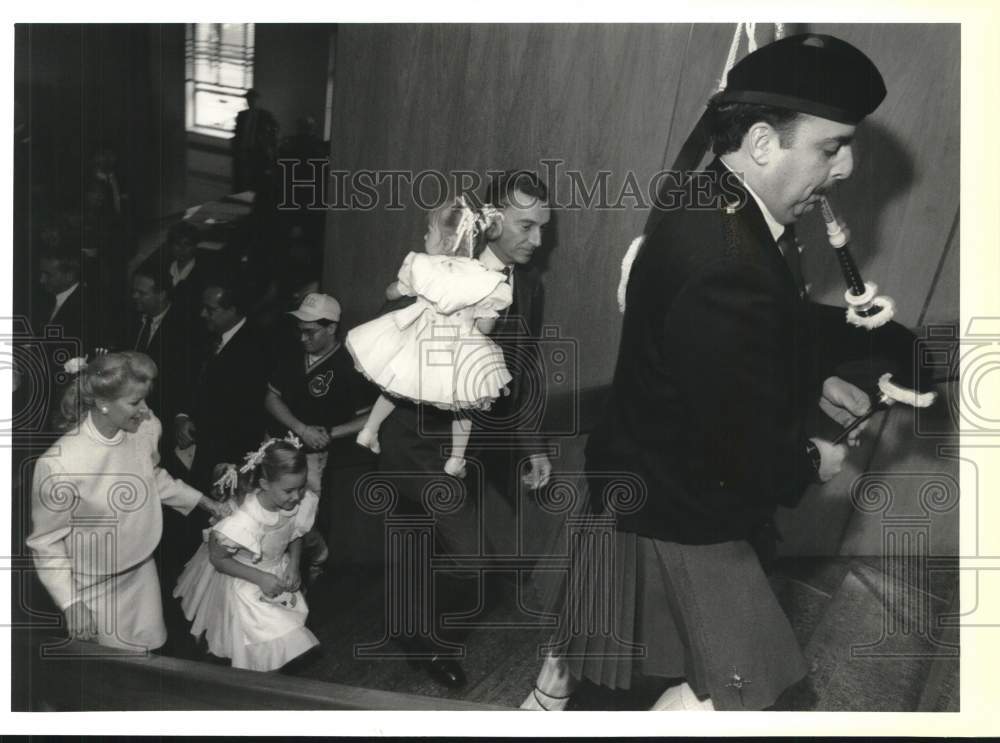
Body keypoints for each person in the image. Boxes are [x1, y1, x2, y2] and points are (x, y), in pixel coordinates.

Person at [522, 34, 891, 711]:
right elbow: (738, 438)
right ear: (760, 142)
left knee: (638, 686)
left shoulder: (718, 204)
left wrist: (808, 382)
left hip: (656, 492)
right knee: (719, 695)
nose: (844, 168)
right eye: (830, 146)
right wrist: (812, 456)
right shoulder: (727, 251)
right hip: (678, 517)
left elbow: (722, 351)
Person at [373, 175, 552, 689]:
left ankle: (419, 635)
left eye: (543, 228)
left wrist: (533, 446)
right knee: (464, 557)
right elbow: (391, 331)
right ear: (492, 220)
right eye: (526, 225)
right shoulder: (446, 264)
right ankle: (424, 644)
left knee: (446, 554)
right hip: (419, 441)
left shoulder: (529, 286)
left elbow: (522, 368)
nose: (537, 240)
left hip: (473, 442)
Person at [26, 351, 227, 651]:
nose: (145, 410)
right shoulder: (59, 464)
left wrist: (206, 503)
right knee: (110, 676)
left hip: (140, 570)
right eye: (135, 402)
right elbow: (46, 544)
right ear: (103, 403)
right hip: (91, 585)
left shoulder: (142, 430)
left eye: (145, 400)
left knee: (149, 657)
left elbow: (152, 478)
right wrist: (71, 603)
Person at [347, 196, 511, 477]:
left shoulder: (422, 265)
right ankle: (456, 460)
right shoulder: (482, 278)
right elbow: (485, 329)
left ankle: (369, 429)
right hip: (457, 347)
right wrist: (480, 317)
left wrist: (400, 289)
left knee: (395, 381)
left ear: (447, 243)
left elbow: (391, 293)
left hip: (420, 339)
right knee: (464, 404)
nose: (424, 235)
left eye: (429, 231)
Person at [173, 438, 320, 671]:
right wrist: (260, 578)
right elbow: (218, 558)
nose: (297, 496)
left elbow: (296, 535)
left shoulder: (298, 503)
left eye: (301, 487)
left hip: (278, 574)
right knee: (268, 637)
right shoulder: (246, 520)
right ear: (265, 484)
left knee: (281, 636)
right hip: (247, 582)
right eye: (289, 490)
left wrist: (293, 564)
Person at [265, 291, 376, 547]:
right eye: (300, 330)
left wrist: (329, 432)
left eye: (311, 332)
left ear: (332, 328)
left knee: (307, 528)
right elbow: (271, 398)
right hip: (282, 451)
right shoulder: (292, 353)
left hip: (320, 461)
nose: (303, 337)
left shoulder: (350, 365)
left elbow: (370, 416)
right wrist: (302, 429)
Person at [232, 88, 279, 195]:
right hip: (244, 151)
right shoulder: (242, 115)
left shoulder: (265, 115)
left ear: (257, 100)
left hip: (258, 152)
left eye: (253, 100)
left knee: (256, 178)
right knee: (242, 179)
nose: (251, 102)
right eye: (249, 100)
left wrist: (268, 141)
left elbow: (275, 128)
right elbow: (237, 133)